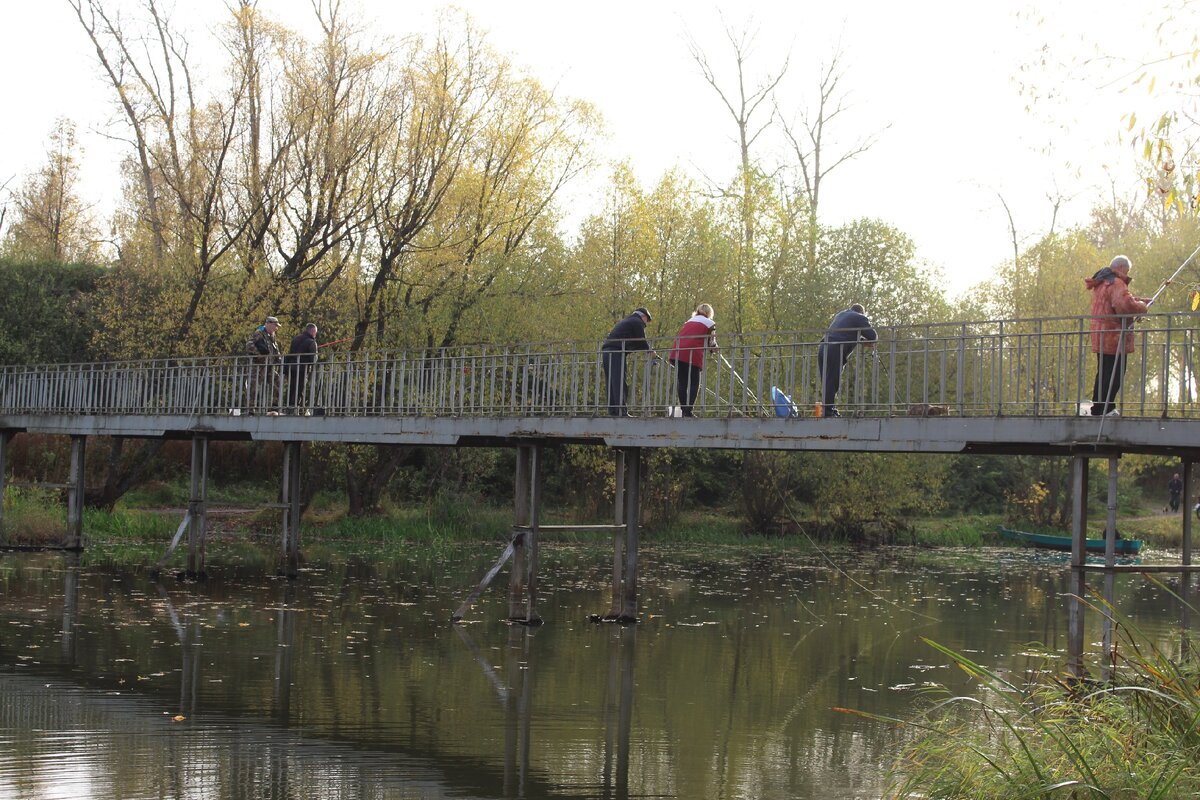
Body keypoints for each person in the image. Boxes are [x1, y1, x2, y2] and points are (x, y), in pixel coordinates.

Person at [1085, 255, 1149, 416]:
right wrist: (1142, 306)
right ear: (1121, 268)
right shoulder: (1117, 283)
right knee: (1115, 373)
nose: (1127, 274)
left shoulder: (1102, 283)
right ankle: (1105, 408)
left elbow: (1117, 302)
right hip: (1114, 337)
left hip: (1101, 334)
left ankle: (1099, 407)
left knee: (1104, 371)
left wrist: (1138, 301)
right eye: (1127, 271)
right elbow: (1124, 306)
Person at [817, 304, 877, 417]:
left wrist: (859, 339)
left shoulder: (841, 314)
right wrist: (866, 341)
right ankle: (827, 412)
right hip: (835, 348)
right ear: (862, 312)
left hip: (823, 347)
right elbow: (873, 336)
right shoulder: (860, 317)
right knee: (832, 381)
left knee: (827, 381)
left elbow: (844, 333)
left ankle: (829, 409)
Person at [600, 307, 656, 416]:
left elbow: (634, 343)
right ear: (644, 316)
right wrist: (650, 352)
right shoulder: (637, 321)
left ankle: (613, 411)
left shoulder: (627, 321)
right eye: (647, 321)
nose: (646, 324)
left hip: (607, 351)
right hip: (617, 352)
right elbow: (641, 340)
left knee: (611, 382)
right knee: (619, 381)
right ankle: (622, 411)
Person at [668, 303, 718, 417]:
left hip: (678, 352)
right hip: (692, 353)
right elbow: (712, 342)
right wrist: (714, 349)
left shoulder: (689, 321)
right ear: (709, 313)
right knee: (694, 383)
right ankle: (688, 411)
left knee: (682, 382)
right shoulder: (710, 323)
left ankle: (684, 409)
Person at [245, 315, 282, 413]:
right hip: (258, 366)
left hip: (269, 366)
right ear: (268, 324)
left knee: (277, 380)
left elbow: (275, 349)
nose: (276, 328)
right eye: (275, 325)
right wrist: (258, 355)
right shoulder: (259, 333)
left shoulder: (272, 336)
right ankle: (251, 409)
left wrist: (279, 359)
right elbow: (249, 345)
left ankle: (274, 405)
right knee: (254, 387)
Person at [284, 322, 319, 412]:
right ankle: (296, 408)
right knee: (300, 389)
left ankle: (289, 407)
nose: (315, 334)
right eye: (315, 332)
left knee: (292, 387)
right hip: (302, 369)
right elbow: (313, 359)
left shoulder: (295, 339)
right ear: (312, 331)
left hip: (291, 368)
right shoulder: (312, 342)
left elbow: (291, 352)